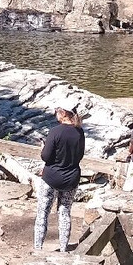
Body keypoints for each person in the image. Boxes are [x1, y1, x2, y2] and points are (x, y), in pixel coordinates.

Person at [34, 108, 85, 252]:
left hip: (51, 178)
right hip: (71, 178)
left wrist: (43, 148)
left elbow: (46, 156)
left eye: (57, 111)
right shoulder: (79, 132)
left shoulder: (55, 132)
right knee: (65, 213)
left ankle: (38, 248)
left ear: (62, 114)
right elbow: (80, 155)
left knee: (43, 213)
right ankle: (63, 249)